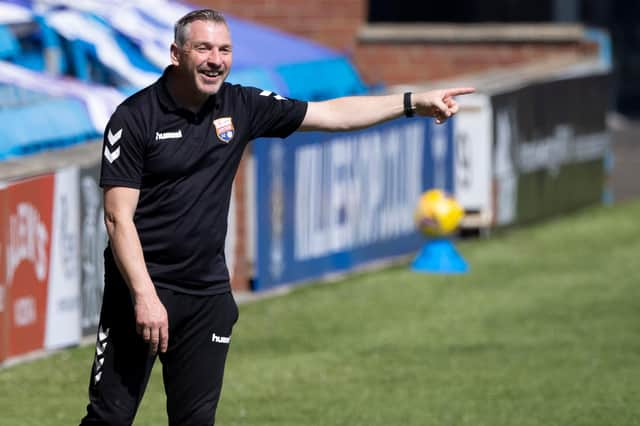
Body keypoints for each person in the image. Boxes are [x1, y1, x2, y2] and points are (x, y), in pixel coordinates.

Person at [80, 8, 474, 426]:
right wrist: (144, 296)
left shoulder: (241, 104)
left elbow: (331, 115)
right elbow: (117, 219)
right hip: (140, 293)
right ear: (176, 54)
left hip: (205, 297)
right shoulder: (134, 117)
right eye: (204, 48)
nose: (216, 59)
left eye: (225, 49)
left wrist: (412, 103)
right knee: (108, 420)